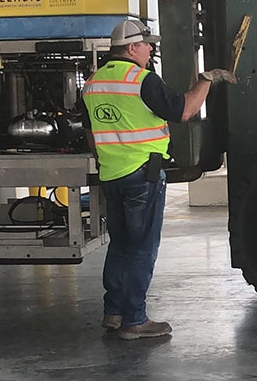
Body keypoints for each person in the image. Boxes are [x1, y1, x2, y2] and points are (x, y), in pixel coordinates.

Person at [82, 18, 235, 340]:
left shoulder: (93, 82)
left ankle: (113, 312)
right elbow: (184, 110)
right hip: (142, 174)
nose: (151, 48)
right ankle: (135, 319)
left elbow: (89, 132)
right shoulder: (142, 80)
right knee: (142, 248)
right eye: (146, 43)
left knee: (121, 245)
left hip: (111, 175)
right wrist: (207, 80)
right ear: (131, 47)